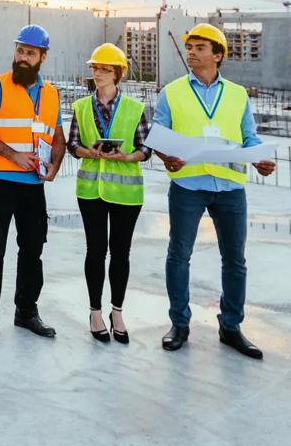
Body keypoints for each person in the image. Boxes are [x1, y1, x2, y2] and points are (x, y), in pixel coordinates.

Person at [151, 24, 276, 358]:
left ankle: (231, 326)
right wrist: (167, 157)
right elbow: (158, 133)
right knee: (179, 255)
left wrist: (261, 158)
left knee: (235, 260)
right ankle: (179, 323)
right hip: (188, 185)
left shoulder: (237, 94)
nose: (190, 51)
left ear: (218, 55)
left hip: (229, 188)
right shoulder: (172, 92)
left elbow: (248, 137)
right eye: (189, 46)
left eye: (199, 47)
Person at [0, 24, 66, 344]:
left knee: (33, 250)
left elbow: (57, 138)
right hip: (0, 181)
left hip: (33, 184)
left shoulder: (51, 93)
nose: (23, 57)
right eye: (20, 51)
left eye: (30, 53)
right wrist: (12, 155)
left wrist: (55, 165)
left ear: (42, 57)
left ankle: (26, 312)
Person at [66, 44, 150, 344]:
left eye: (104, 69)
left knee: (121, 253)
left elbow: (145, 148)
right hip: (91, 191)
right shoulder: (80, 107)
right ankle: (95, 312)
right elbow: (72, 144)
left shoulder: (134, 109)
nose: (97, 74)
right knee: (95, 250)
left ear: (117, 73)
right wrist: (85, 151)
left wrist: (127, 157)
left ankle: (117, 311)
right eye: (95, 68)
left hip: (126, 194)